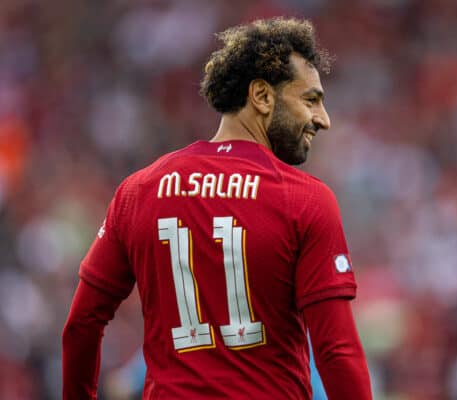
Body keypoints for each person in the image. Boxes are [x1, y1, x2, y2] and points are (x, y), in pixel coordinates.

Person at [63, 17, 372, 399]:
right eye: (310, 100)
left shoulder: (138, 191)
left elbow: (81, 325)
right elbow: (335, 351)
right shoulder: (305, 199)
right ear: (261, 96)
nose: (322, 120)